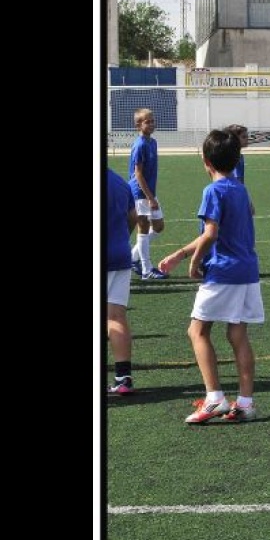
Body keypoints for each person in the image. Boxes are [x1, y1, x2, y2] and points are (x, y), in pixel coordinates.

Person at [162, 129, 262, 424]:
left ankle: (214, 398)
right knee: (237, 334)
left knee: (197, 331)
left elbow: (211, 233)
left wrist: (194, 261)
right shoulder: (241, 189)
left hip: (223, 271)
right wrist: (180, 253)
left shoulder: (213, 191)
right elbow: (220, 232)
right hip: (247, 270)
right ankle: (245, 403)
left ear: (205, 161)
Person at [106, 168, 138, 395]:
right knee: (116, 317)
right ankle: (123, 377)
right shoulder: (118, 181)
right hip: (120, 255)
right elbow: (133, 216)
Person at [129, 108, 168, 279]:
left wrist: (152, 195)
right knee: (143, 228)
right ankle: (146, 270)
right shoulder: (140, 145)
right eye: (147, 122)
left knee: (158, 226)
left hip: (149, 192)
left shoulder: (153, 142)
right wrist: (150, 198)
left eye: (153, 121)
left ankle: (132, 258)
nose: (152, 124)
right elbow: (138, 174)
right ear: (138, 124)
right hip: (140, 192)